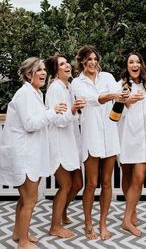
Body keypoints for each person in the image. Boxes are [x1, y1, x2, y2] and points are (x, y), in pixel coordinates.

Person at [0, 57, 66, 249]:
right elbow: (30, 124)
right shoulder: (24, 94)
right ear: (29, 74)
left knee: (25, 198)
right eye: (39, 70)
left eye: (44, 69)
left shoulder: (36, 93)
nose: (43, 73)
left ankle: (18, 233)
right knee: (31, 199)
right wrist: (52, 112)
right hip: (23, 155)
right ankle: (23, 242)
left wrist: (52, 112)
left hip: (29, 154)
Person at [71, 45, 128, 240]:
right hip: (92, 137)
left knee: (106, 183)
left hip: (110, 136)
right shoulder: (77, 83)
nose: (93, 63)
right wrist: (112, 95)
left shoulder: (108, 77)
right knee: (91, 183)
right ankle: (88, 222)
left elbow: (120, 96)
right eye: (88, 60)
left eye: (95, 59)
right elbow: (92, 100)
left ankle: (103, 223)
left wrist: (126, 96)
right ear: (82, 62)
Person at [45, 54, 86, 238]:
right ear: (55, 71)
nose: (67, 65)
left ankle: (61, 211)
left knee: (77, 183)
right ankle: (55, 226)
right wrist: (73, 110)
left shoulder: (68, 87)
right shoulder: (55, 89)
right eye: (61, 64)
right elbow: (59, 121)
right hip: (59, 144)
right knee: (66, 184)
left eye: (66, 62)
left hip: (72, 143)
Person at [118, 52, 146, 237]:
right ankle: (132, 210)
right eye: (131, 62)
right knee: (127, 175)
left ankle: (126, 219)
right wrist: (126, 103)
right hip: (125, 137)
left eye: (138, 61)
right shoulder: (120, 85)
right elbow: (113, 113)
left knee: (139, 177)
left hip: (144, 138)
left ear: (141, 65)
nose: (135, 64)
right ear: (127, 65)